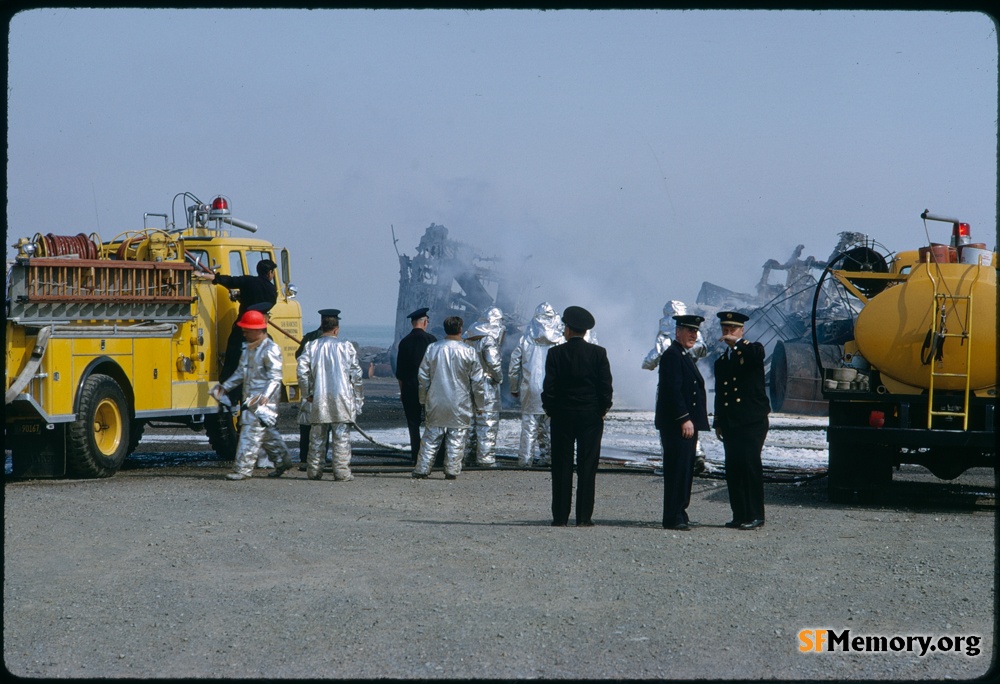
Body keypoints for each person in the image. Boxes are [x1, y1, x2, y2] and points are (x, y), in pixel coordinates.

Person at [541, 306, 613, 527]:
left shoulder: (555, 353)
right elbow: (606, 388)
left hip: (563, 415)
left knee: (561, 467)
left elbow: (549, 388)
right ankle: (584, 517)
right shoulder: (599, 353)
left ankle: (560, 517)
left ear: (569, 329)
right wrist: (601, 411)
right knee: (587, 467)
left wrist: (552, 411)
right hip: (590, 416)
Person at [213, 309, 295, 481]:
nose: (243, 333)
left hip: (263, 401)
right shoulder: (249, 349)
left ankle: (242, 469)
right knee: (266, 434)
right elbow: (241, 373)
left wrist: (266, 396)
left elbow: (275, 377)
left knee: (249, 433)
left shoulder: (270, 349)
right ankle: (283, 461)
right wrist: (225, 387)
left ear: (258, 330)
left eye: (246, 330)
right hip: (251, 399)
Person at [713, 310, 770, 531]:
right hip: (731, 422)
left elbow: (757, 355)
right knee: (734, 469)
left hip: (751, 421)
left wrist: (738, 342)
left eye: (732, 330)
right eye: (725, 330)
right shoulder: (722, 360)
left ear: (742, 330)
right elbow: (721, 393)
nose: (727, 334)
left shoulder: (751, 350)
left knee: (749, 466)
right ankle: (739, 514)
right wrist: (718, 421)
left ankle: (755, 514)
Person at [412, 316, 486, 480]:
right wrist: (480, 405)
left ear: (445, 329)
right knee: (457, 437)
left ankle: (422, 469)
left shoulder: (433, 348)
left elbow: (423, 377)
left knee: (431, 436)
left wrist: (423, 399)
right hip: (459, 401)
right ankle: (451, 470)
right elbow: (478, 382)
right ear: (461, 329)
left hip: (436, 400)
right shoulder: (469, 351)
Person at [655, 315, 710, 531]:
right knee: (677, 470)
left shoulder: (683, 355)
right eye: (689, 331)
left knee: (685, 470)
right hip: (677, 425)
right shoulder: (672, 356)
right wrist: (684, 418)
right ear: (678, 332)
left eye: (695, 332)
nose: (693, 335)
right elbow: (672, 391)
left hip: (687, 424)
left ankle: (680, 512)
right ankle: (672, 516)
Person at [643, 300, 710, 475]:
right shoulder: (693, 330)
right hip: (691, 381)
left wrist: (647, 362)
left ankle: (673, 462)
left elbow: (652, 360)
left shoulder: (670, 332)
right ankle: (696, 454)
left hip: (672, 382)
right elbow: (703, 350)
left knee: (670, 426)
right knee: (691, 425)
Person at [296, 310, 363, 481]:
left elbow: (301, 371)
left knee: (317, 437)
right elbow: (356, 376)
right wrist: (358, 400)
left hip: (319, 397)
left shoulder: (311, 346)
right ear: (336, 329)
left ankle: (314, 470)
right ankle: (341, 472)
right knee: (341, 438)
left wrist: (307, 393)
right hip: (342, 398)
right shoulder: (346, 346)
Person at [205, 259, 279, 405]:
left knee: (231, 363)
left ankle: (224, 397)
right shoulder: (272, 291)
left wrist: (209, 276)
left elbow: (228, 280)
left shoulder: (248, 281)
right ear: (270, 273)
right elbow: (263, 304)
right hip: (259, 333)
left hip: (242, 329)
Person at [509, 302, 564, 468]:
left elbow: (514, 365)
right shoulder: (560, 340)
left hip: (530, 388)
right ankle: (551, 458)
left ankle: (525, 460)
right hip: (554, 389)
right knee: (552, 426)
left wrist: (513, 387)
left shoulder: (525, 339)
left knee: (529, 426)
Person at [294, 309, 338, 470]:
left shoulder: (309, 338)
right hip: (326, 389)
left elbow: (298, 357)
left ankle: (305, 458)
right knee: (324, 426)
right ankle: (321, 458)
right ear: (335, 327)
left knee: (307, 425)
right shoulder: (336, 343)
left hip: (311, 387)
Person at [462, 306, 505, 467]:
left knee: (469, 424)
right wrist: (499, 378)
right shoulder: (489, 339)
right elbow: (493, 363)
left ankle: (467, 456)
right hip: (487, 384)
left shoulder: (468, 336)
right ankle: (485, 459)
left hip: (468, 384)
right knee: (487, 423)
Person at [395, 307, 437, 465]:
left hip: (409, 387)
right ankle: (432, 456)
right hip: (429, 389)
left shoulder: (404, 342)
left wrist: (402, 392)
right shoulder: (431, 340)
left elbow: (400, 373)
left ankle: (415, 455)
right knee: (432, 424)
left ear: (412, 323)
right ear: (425, 322)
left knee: (413, 425)